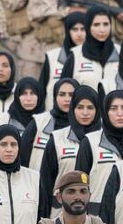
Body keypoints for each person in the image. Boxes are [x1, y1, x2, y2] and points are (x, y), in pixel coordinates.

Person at [40, 85, 101, 217]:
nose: (85, 113)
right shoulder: (57, 139)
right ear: (72, 109)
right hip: (60, 214)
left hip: (96, 216)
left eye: (90, 107)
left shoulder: (106, 140)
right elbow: (45, 182)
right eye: (80, 107)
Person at [76, 90, 123, 216]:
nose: (119, 113)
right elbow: (79, 185)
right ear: (105, 112)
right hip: (96, 218)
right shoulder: (90, 142)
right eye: (113, 108)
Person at [20, 77, 77, 172]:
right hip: (36, 184)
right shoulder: (38, 122)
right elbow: (22, 156)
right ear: (55, 96)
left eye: (71, 95)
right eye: (62, 94)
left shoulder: (84, 126)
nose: (67, 99)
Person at [60, 6, 118, 88]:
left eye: (106, 24)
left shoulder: (121, 53)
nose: (102, 30)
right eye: (96, 25)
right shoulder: (76, 55)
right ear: (88, 26)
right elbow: (63, 90)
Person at [39, 11, 85, 111]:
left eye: (83, 29)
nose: (79, 34)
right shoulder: (52, 57)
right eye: (75, 29)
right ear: (67, 31)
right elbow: (41, 91)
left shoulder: (94, 60)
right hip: (54, 118)